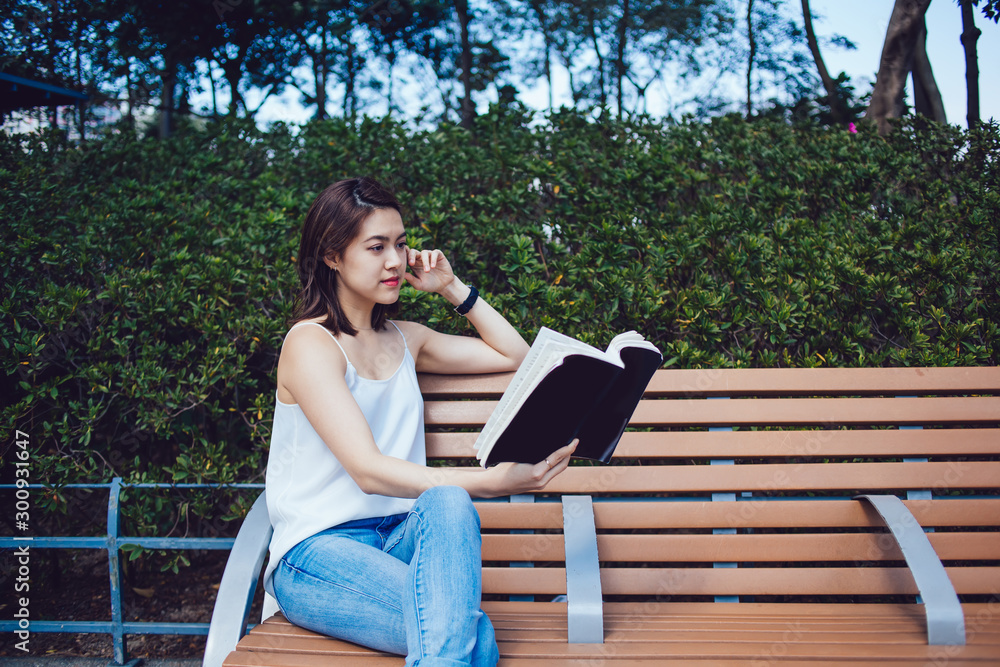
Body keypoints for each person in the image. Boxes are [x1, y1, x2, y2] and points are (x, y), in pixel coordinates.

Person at [262, 177, 577, 667]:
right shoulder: (310, 344)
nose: (395, 260)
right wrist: (493, 482)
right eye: (376, 246)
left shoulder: (408, 339)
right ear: (331, 256)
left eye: (401, 243)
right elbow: (367, 470)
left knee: (448, 503)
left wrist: (452, 288)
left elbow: (518, 355)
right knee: (476, 640)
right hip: (318, 553)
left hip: (403, 542)